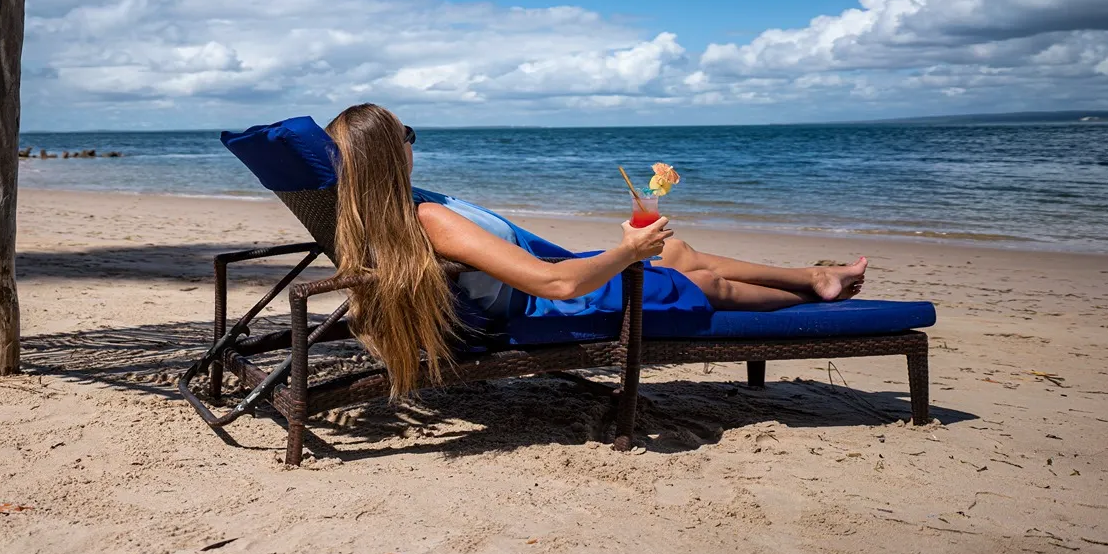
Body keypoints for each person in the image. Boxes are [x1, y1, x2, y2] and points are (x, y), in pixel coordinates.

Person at [324, 102, 868, 396]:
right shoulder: (428, 217)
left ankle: (811, 277)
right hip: (543, 304)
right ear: (391, 153)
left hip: (528, 288)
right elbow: (557, 285)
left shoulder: (373, 211)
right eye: (408, 134)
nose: (414, 142)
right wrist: (628, 250)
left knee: (676, 251)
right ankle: (812, 300)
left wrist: (635, 246)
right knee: (699, 283)